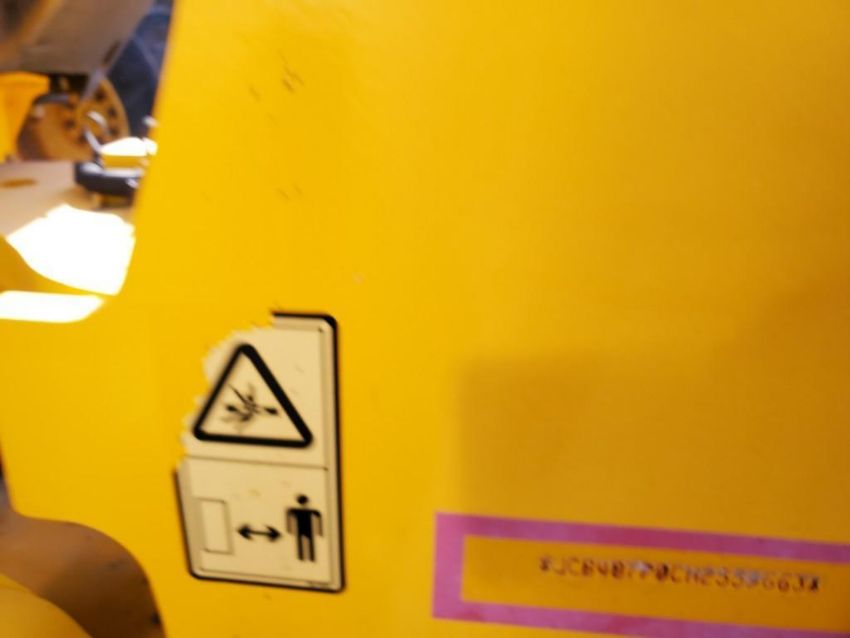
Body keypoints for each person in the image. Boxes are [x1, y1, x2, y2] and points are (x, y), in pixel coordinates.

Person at [286, 495, 322, 562]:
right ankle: (305, 558)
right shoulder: (297, 510)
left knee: (306, 543)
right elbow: (289, 514)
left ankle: (309, 558)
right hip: (302, 529)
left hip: (306, 529)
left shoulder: (305, 511)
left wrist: (320, 531)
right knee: (302, 543)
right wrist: (289, 529)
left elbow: (318, 515)